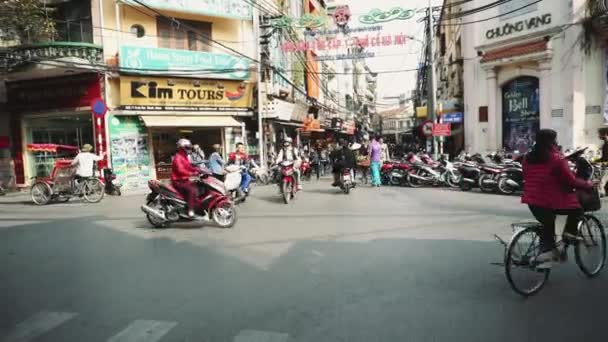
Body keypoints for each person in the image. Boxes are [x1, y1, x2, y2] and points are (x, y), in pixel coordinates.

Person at [522, 129, 594, 268]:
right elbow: (571, 181)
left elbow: (529, 177)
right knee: (577, 209)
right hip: (550, 200)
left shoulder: (527, 157)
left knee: (547, 225)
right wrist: (588, 184)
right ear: (553, 141)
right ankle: (569, 234)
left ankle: (548, 251)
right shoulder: (557, 158)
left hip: (532, 200)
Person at [171, 139, 200, 219]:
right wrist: (192, 174)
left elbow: (189, 167)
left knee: (199, 187)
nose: (189, 149)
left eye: (189, 147)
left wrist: (199, 170)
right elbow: (180, 170)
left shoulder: (184, 157)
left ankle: (195, 206)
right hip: (178, 181)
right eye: (187, 147)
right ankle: (190, 210)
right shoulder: (178, 158)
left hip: (184, 180)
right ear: (182, 148)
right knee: (192, 190)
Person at [597, 128, 608, 196]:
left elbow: (605, 158)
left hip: (606, 166)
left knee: (602, 181)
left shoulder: (606, 144)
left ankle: (601, 193)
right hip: (606, 165)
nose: (599, 136)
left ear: (605, 134)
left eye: (600, 134)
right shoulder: (605, 143)